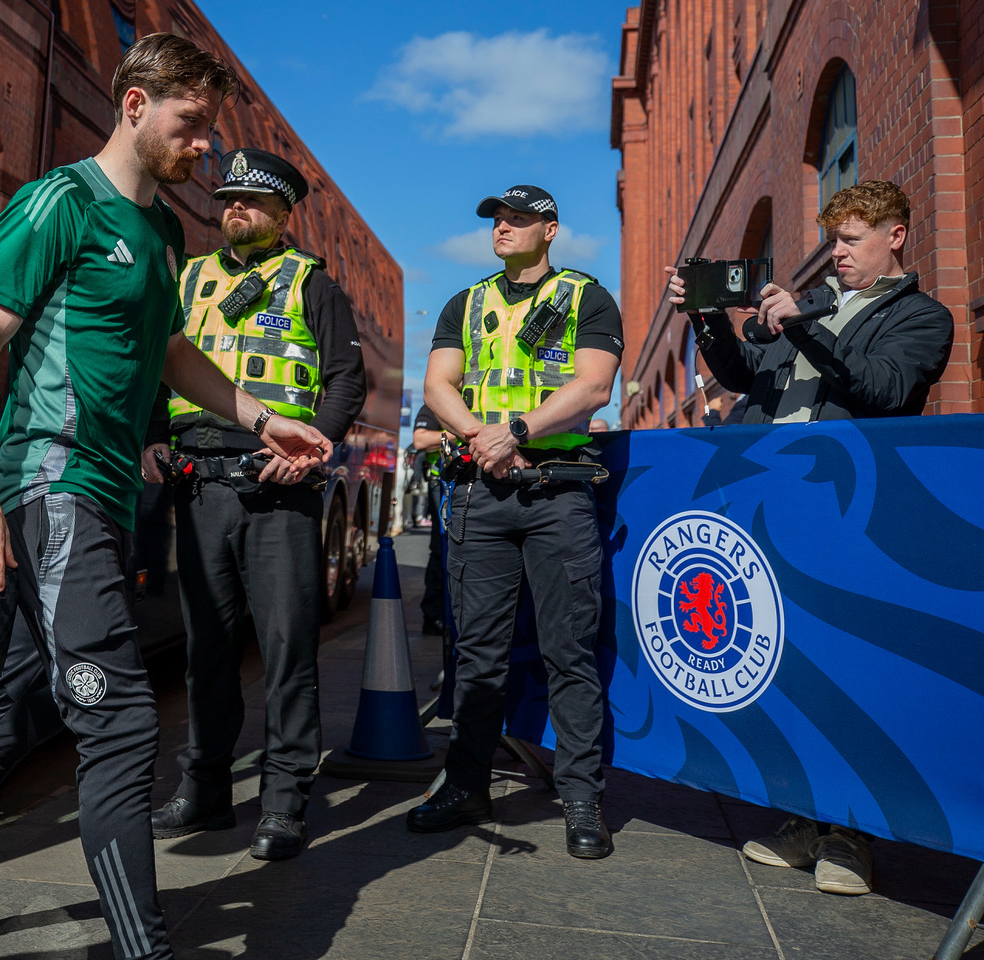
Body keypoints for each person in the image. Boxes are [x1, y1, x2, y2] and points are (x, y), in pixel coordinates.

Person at [0, 36, 330, 960]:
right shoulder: (58, 202)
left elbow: (172, 351)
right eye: (190, 126)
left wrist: (262, 417)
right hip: (47, 482)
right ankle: (144, 950)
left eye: (211, 132)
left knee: (23, 704)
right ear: (134, 105)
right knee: (124, 720)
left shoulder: (163, 234)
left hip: (101, 491)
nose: (204, 152)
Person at [666, 179, 953, 894]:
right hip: (767, 506)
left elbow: (882, 391)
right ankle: (803, 817)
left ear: (895, 237)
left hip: (846, 517)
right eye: (832, 240)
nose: (838, 253)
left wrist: (800, 325)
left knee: (844, 672)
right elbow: (740, 378)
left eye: (852, 240)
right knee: (784, 667)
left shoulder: (922, 316)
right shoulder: (815, 306)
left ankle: (851, 836)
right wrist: (706, 321)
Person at [149, 148, 366, 861]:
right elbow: (155, 361)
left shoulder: (312, 284)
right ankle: (206, 790)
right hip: (200, 484)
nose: (234, 208)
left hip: (279, 490)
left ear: (283, 215)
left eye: (252, 200)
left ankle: (283, 802)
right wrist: (152, 436)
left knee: (285, 651)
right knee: (206, 651)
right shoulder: (188, 278)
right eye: (229, 198)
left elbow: (344, 383)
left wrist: (312, 446)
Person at [407, 185, 623, 859]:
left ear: (551, 230)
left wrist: (518, 431)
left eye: (518, 219)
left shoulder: (587, 296)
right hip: (481, 491)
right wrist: (480, 436)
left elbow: (594, 386)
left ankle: (583, 798)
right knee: (477, 654)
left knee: (570, 650)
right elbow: (437, 384)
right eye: (496, 219)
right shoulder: (465, 302)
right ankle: (465, 785)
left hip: (556, 492)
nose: (502, 227)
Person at [412, 402, 446, 635]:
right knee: (441, 548)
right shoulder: (436, 404)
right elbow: (420, 440)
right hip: (443, 486)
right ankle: (434, 616)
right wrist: (461, 431)